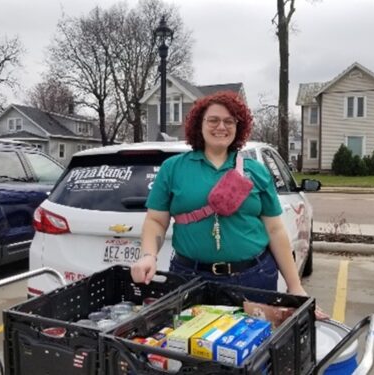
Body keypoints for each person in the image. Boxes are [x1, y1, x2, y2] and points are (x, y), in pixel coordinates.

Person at [130, 91, 326, 317]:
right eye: (213, 120)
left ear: (238, 127)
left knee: (252, 347)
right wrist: (148, 255)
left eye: (229, 121)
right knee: (190, 346)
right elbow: (156, 220)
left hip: (254, 278)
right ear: (199, 124)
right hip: (189, 277)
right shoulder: (173, 168)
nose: (221, 127)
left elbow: (275, 229)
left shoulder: (257, 171)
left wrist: (295, 286)